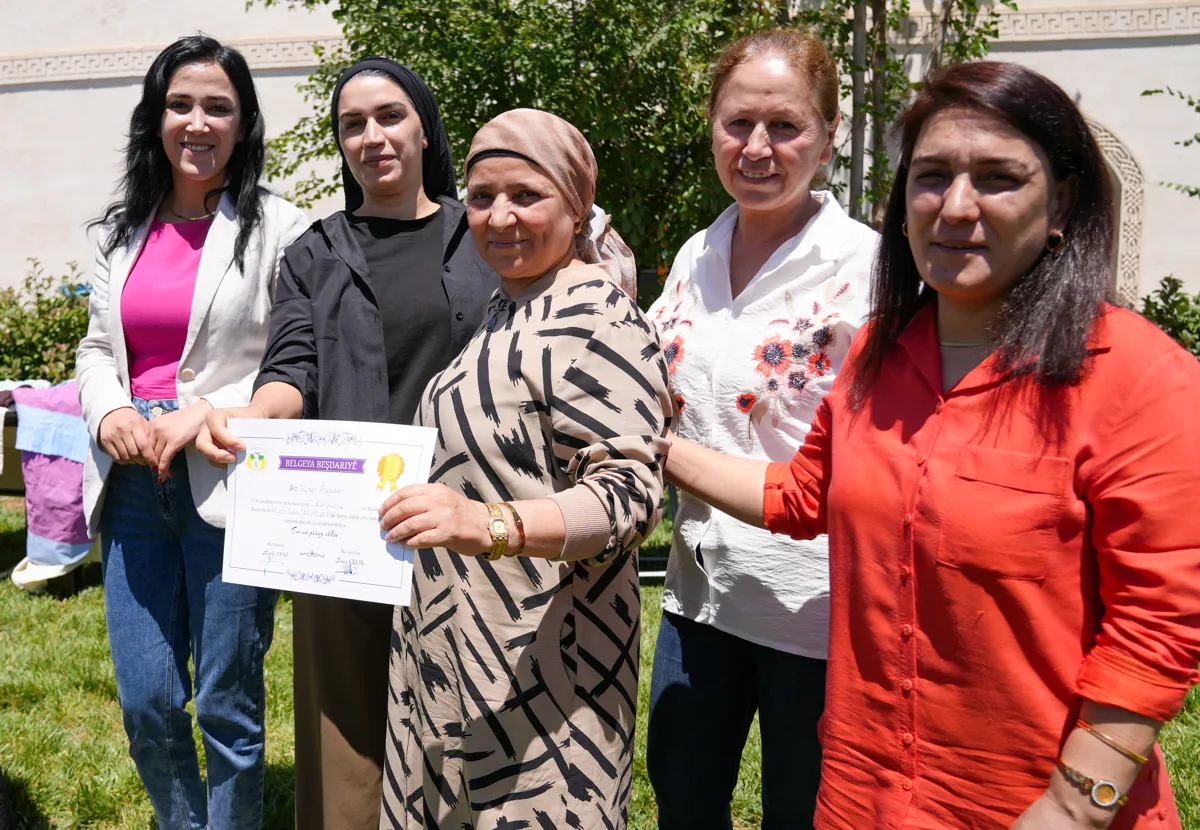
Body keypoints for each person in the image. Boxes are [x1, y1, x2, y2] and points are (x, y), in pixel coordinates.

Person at [663, 61, 1200, 830]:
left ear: (1062, 202)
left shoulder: (1138, 375)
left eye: (998, 178)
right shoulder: (877, 357)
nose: (956, 206)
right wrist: (655, 448)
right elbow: (803, 496)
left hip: (1037, 808)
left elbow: (1156, 624)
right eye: (932, 176)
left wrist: (1075, 805)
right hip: (860, 800)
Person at [196, 58, 497, 830]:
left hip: (465, 523)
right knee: (345, 747)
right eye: (352, 124)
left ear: (425, 129)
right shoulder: (314, 252)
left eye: (390, 116)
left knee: (467, 733)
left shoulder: (484, 237)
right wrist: (255, 417)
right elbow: (290, 368)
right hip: (345, 533)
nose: (372, 136)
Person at [374, 108, 672, 829]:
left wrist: (489, 524)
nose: (499, 217)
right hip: (456, 654)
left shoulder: (600, 320)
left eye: (526, 195)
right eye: (481, 197)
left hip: (547, 672)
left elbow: (629, 495)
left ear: (577, 207)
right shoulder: (506, 308)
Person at [74, 35, 308, 830]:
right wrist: (111, 411)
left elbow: (293, 357)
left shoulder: (279, 228)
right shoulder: (120, 232)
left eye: (218, 107)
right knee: (146, 700)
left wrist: (206, 409)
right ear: (156, 117)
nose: (198, 122)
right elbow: (97, 348)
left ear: (243, 125)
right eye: (180, 105)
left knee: (225, 703)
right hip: (132, 478)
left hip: (227, 469)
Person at [645, 28, 876, 830]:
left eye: (785, 126)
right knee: (683, 804)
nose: (756, 147)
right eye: (738, 123)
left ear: (828, 136)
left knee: (802, 816)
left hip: (816, 615)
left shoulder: (869, 269)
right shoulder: (695, 255)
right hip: (697, 594)